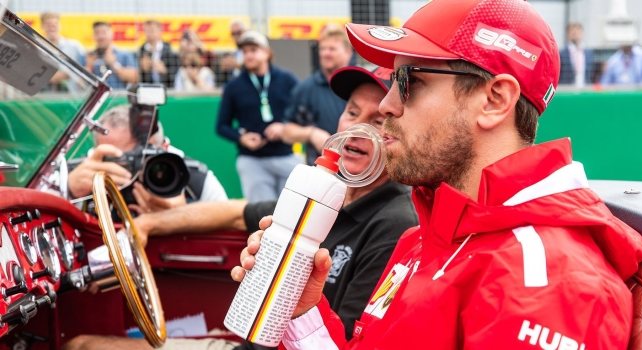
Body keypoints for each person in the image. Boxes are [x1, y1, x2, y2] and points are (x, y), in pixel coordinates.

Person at [234, 0, 642, 349]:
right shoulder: (429, 232)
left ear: (494, 100)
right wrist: (304, 312)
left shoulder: (546, 281)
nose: (388, 105)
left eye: (409, 81)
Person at [63, 66, 418, 350]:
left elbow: (347, 339)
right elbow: (235, 212)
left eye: (375, 122)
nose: (356, 129)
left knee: (80, 344)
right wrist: (149, 225)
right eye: (351, 112)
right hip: (246, 340)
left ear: (396, 136)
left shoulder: (395, 222)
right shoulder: (324, 196)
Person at [68, 104, 227, 212]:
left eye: (137, 158)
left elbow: (229, 225)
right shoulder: (82, 173)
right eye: (112, 160)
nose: (124, 170)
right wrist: (69, 191)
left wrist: (183, 216)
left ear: (163, 149)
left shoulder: (196, 181)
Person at [215, 31, 299, 202]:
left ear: (267, 52)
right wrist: (241, 137)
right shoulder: (234, 86)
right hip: (252, 160)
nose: (248, 55)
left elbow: (303, 113)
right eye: (244, 52)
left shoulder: (287, 80)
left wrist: (284, 128)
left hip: (285, 156)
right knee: (262, 214)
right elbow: (221, 126)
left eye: (253, 50)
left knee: (293, 209)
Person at [282, 25, 354, 165]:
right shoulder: (306, 88)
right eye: (322, 49)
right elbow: (286, 132)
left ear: (348, 52)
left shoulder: (361, 85)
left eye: (332, 49)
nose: (325, 53)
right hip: (321, 169)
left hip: (360, 171)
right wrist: (311, 133)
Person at [39, 12, 86, 92]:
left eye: (55, 24)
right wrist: (50, 77)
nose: (52, 27)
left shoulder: (74, 46)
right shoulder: (38, 48)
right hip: (45, 95)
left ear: (60, 26)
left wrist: (68, 74)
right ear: (42, 26)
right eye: (48, 24)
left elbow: (85, 68)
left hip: (72, 95)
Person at [86, 21, 138, 90]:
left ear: (111, 34)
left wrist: (114, 64)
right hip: (96, 98)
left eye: (104, 32)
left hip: (119, 98)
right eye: (97, 33)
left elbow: (134, 78)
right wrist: (89, 67)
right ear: (93, 36)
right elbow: (79, 84)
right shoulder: (88, 57)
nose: (101, 36)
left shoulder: (124, 55)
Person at [139, 20, 179, 88]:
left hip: (167, 90)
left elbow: (176, 76)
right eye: (146, 31)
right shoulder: (141, 51)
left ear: (160, 31)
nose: (149, 34)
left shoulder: (170, 52)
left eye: (152, 30)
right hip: (147, 90)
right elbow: (137, 78)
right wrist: (142, 70)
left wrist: (164, 71)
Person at [559, 22, 595, 87]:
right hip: (567, 90)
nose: (575, 34)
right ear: (568, 34)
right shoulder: (561, 54)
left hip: (585, 90)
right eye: (572, 32)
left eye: (578, 31)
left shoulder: (588, 53)